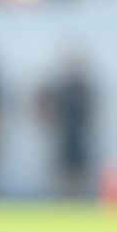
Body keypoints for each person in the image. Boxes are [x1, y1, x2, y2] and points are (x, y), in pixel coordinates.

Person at [38, 53, 95, 199]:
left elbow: (90, 110)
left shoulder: (83, 87)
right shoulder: (61, 88)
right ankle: (62, 196)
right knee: (62, 168)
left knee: (78, 169)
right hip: (63, 134)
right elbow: (49, 109)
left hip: (79, 135)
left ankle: (77, 196)